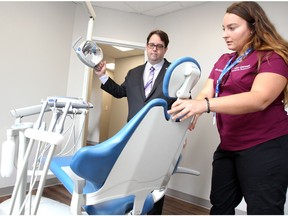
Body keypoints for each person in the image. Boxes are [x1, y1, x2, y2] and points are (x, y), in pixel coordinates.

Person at [168, 1, 288, 215]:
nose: (225, 34)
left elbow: (259, 99)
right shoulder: (224, 60)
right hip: (229, 145)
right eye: (223, 29)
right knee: (220, 205)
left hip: (265, 145)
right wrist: (193, 106)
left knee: (264, 210)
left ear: (253, 27)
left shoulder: (271, 57)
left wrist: (203, 105)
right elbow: (208, 90)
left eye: (232, 28)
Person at [94, 29, 175, 215]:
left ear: (165, 49)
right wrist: (102, 75)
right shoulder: (133, 73)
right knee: (132, 179)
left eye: (159, 46)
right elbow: (120, 92)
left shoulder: (173, 72)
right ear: (147, 46)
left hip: (160, 138)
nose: (155, 50)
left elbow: (181, 102)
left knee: (155, 182)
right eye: (152, 45)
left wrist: (180, 130)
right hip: (133, 136)